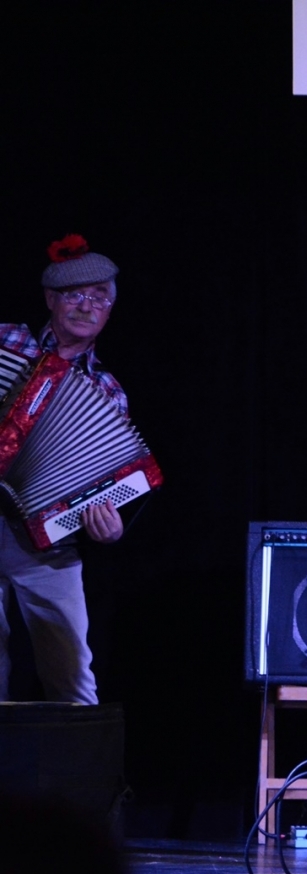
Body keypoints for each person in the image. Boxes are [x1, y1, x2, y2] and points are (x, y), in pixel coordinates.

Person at [1, 235, 127, 705]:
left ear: (109, 312)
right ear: (51, 299)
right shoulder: (8, 340)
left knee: (72, 676)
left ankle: (81, 758)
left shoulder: (107, 392)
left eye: (99, 297)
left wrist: (110, 524)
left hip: (46, 542)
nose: (87, 306)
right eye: (75, 294)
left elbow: (104, 481)